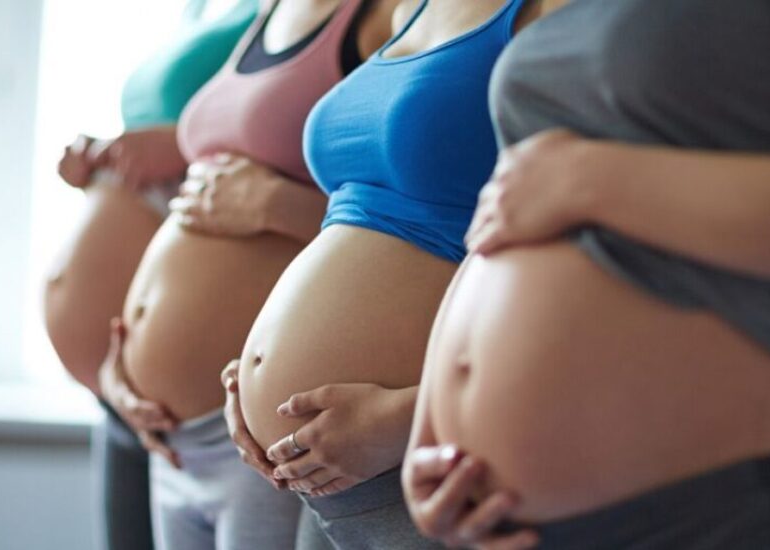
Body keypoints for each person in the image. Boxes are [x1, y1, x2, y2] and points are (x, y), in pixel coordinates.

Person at [402, 0, 770, 547]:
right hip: (518, 514)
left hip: (727, 494)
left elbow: (557, 182)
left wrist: (588, 180)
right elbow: (506, 211)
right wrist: (428, 438)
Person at [222, 0, 531, 547]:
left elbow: (581, 281)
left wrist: (408, 417)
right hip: (322, 476)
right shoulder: (410, 9)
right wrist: (253, 374)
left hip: (427, 457)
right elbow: (351, 231)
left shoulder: (555, 15)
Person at [98, 0, 402, 548]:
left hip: (255, 428)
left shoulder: (387, 16)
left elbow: (396, 216)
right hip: (172, 435)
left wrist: (274, 203)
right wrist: (126, 360)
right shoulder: (271, 14)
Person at [44, 2, 257, 549]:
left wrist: (181, 145)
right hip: (119, 384)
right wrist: (102, 157)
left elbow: (283, 146)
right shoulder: (205, 11)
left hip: (206, 404)